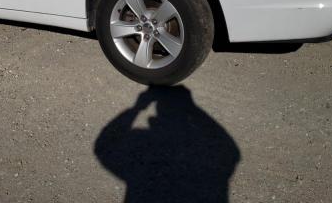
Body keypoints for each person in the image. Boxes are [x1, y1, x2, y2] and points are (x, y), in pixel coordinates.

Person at [95, 86, 240, 203]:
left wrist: (137, 108)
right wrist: (192, 108)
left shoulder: (145, 158)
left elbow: (104, 145)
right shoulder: (209, 163)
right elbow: (228, 150)